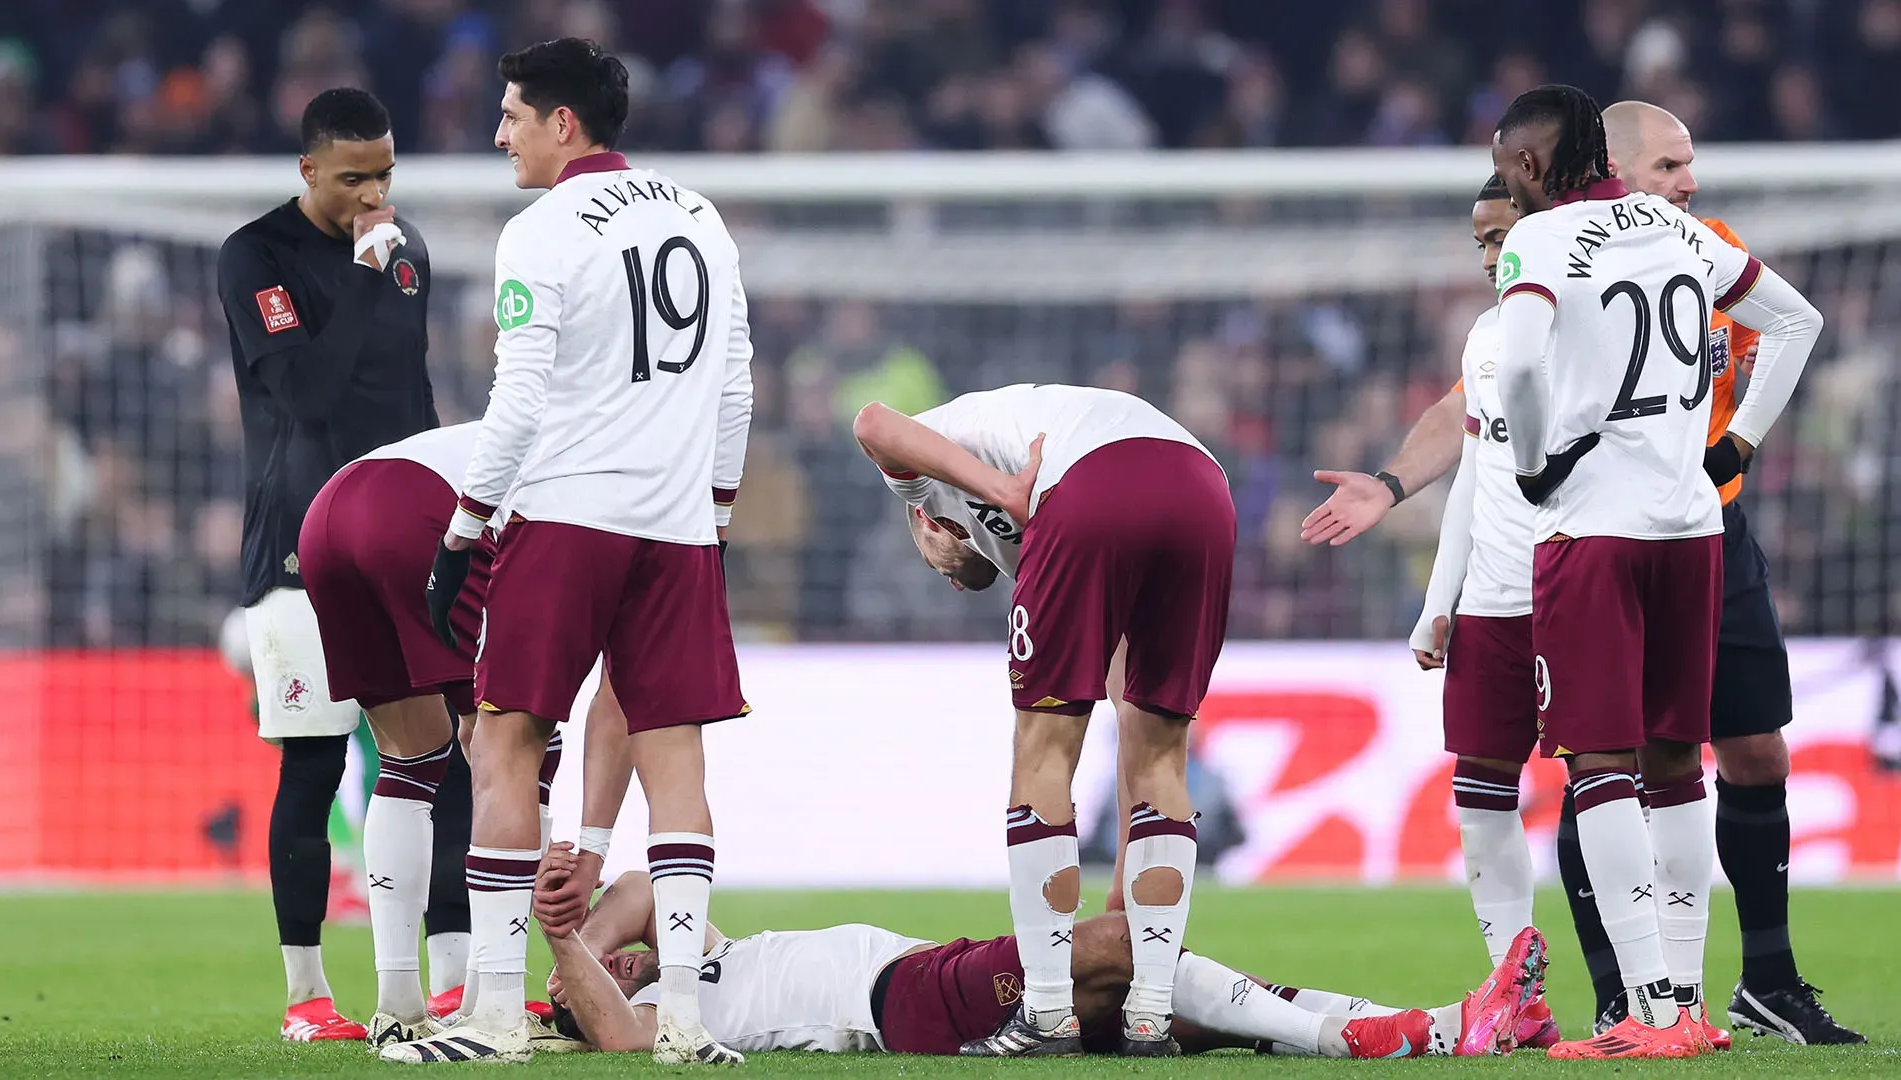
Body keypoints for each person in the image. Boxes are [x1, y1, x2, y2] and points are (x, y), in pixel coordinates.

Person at [405, 38, 755, 1065]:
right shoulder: (700, 215)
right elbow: (734, 384)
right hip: (679, 522)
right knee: (676, 756)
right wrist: (716, 514)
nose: (498, 132)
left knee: (506, 740)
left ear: (566, 124)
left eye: (512, 113)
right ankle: (684, 1022)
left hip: (566, 517)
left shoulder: (543, 229)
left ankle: (497, 1015)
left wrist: (466, 526)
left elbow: (516, 402)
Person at [1489, 84, 1822, 1058]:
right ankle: (1688, 1008)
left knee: (1599, 764)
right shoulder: (1687, 236)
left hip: (1595, 531)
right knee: (1681, 761)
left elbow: (1515, 369)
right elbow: (1795, 321)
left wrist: (1534, 464)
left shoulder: (1541, 241)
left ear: (1537, 164)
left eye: (1513, 169)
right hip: (1693, 532)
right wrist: (1739, 445)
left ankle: (1648, 1010)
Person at [852, 384, 1233, 1056]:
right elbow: (1128, 706)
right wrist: (1125, 896)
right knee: (1161, 749)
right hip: (1201, 486)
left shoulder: (921, 493)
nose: (945, 576)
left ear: (927, 525)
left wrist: (1002, 491)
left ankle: (1049, 1012)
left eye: (934, 561)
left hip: (1086, 480)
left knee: (1044, 747)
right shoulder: (1023, 545)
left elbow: (874, 421)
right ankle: (1150, 1013)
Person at [215, 87, 443, 1042]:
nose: (374, 195)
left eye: (386, 174)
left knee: (447, 759)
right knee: (311, 768)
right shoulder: (255, 257)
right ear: (308, 171)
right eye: (354, 178)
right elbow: (307, 394)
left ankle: (455, 979)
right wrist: (358, 273)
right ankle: (308, 997)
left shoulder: (406, 254)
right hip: (297, 545)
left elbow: (408, 397)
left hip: (401, 543)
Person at [530, 848, 1548, 1060]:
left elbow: (648, 886)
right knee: (1122, 945)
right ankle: (1386, 1040)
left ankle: (1462, 1022)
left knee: (1199, 1012)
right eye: (587, 993)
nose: (613, 976)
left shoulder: (697, 954)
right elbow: (619, 1043)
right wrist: (563, 944)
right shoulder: (677, 1018)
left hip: (937, 975)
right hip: (906, 1002)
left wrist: (597, 921)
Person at [297, 422, 564, 1046]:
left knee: (410, 756)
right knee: (530, 747)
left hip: (328, 515)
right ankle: (486, 994)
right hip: (422, 515)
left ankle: (396, 1002)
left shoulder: (541, 425)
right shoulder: (600, 462)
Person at [1403, 173, 1562, 1052]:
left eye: (1505, 236)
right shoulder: (1487, 337)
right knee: (1481, 796)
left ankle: (1655, 992)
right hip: (1494, 600)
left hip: (1579, 585)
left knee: (1618, 787)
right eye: (1483, 244)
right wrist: (1440, 603)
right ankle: (1513, 987)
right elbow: (1472, 474)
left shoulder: (1588, 327)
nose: (1495, 257)